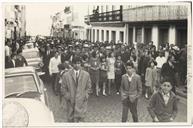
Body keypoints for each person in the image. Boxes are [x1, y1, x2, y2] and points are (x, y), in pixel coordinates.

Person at [60, 56, 92, 122]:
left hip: (81, 103)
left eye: (79, 63)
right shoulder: (66, 75)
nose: (77, 65)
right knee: (71, 121)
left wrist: (85, 95)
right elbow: (63, 88)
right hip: (71, 103)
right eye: (75, 63)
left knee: (81, 121)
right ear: (72, 64)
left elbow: (89, 88)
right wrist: (68, 96)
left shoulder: (86, 75)